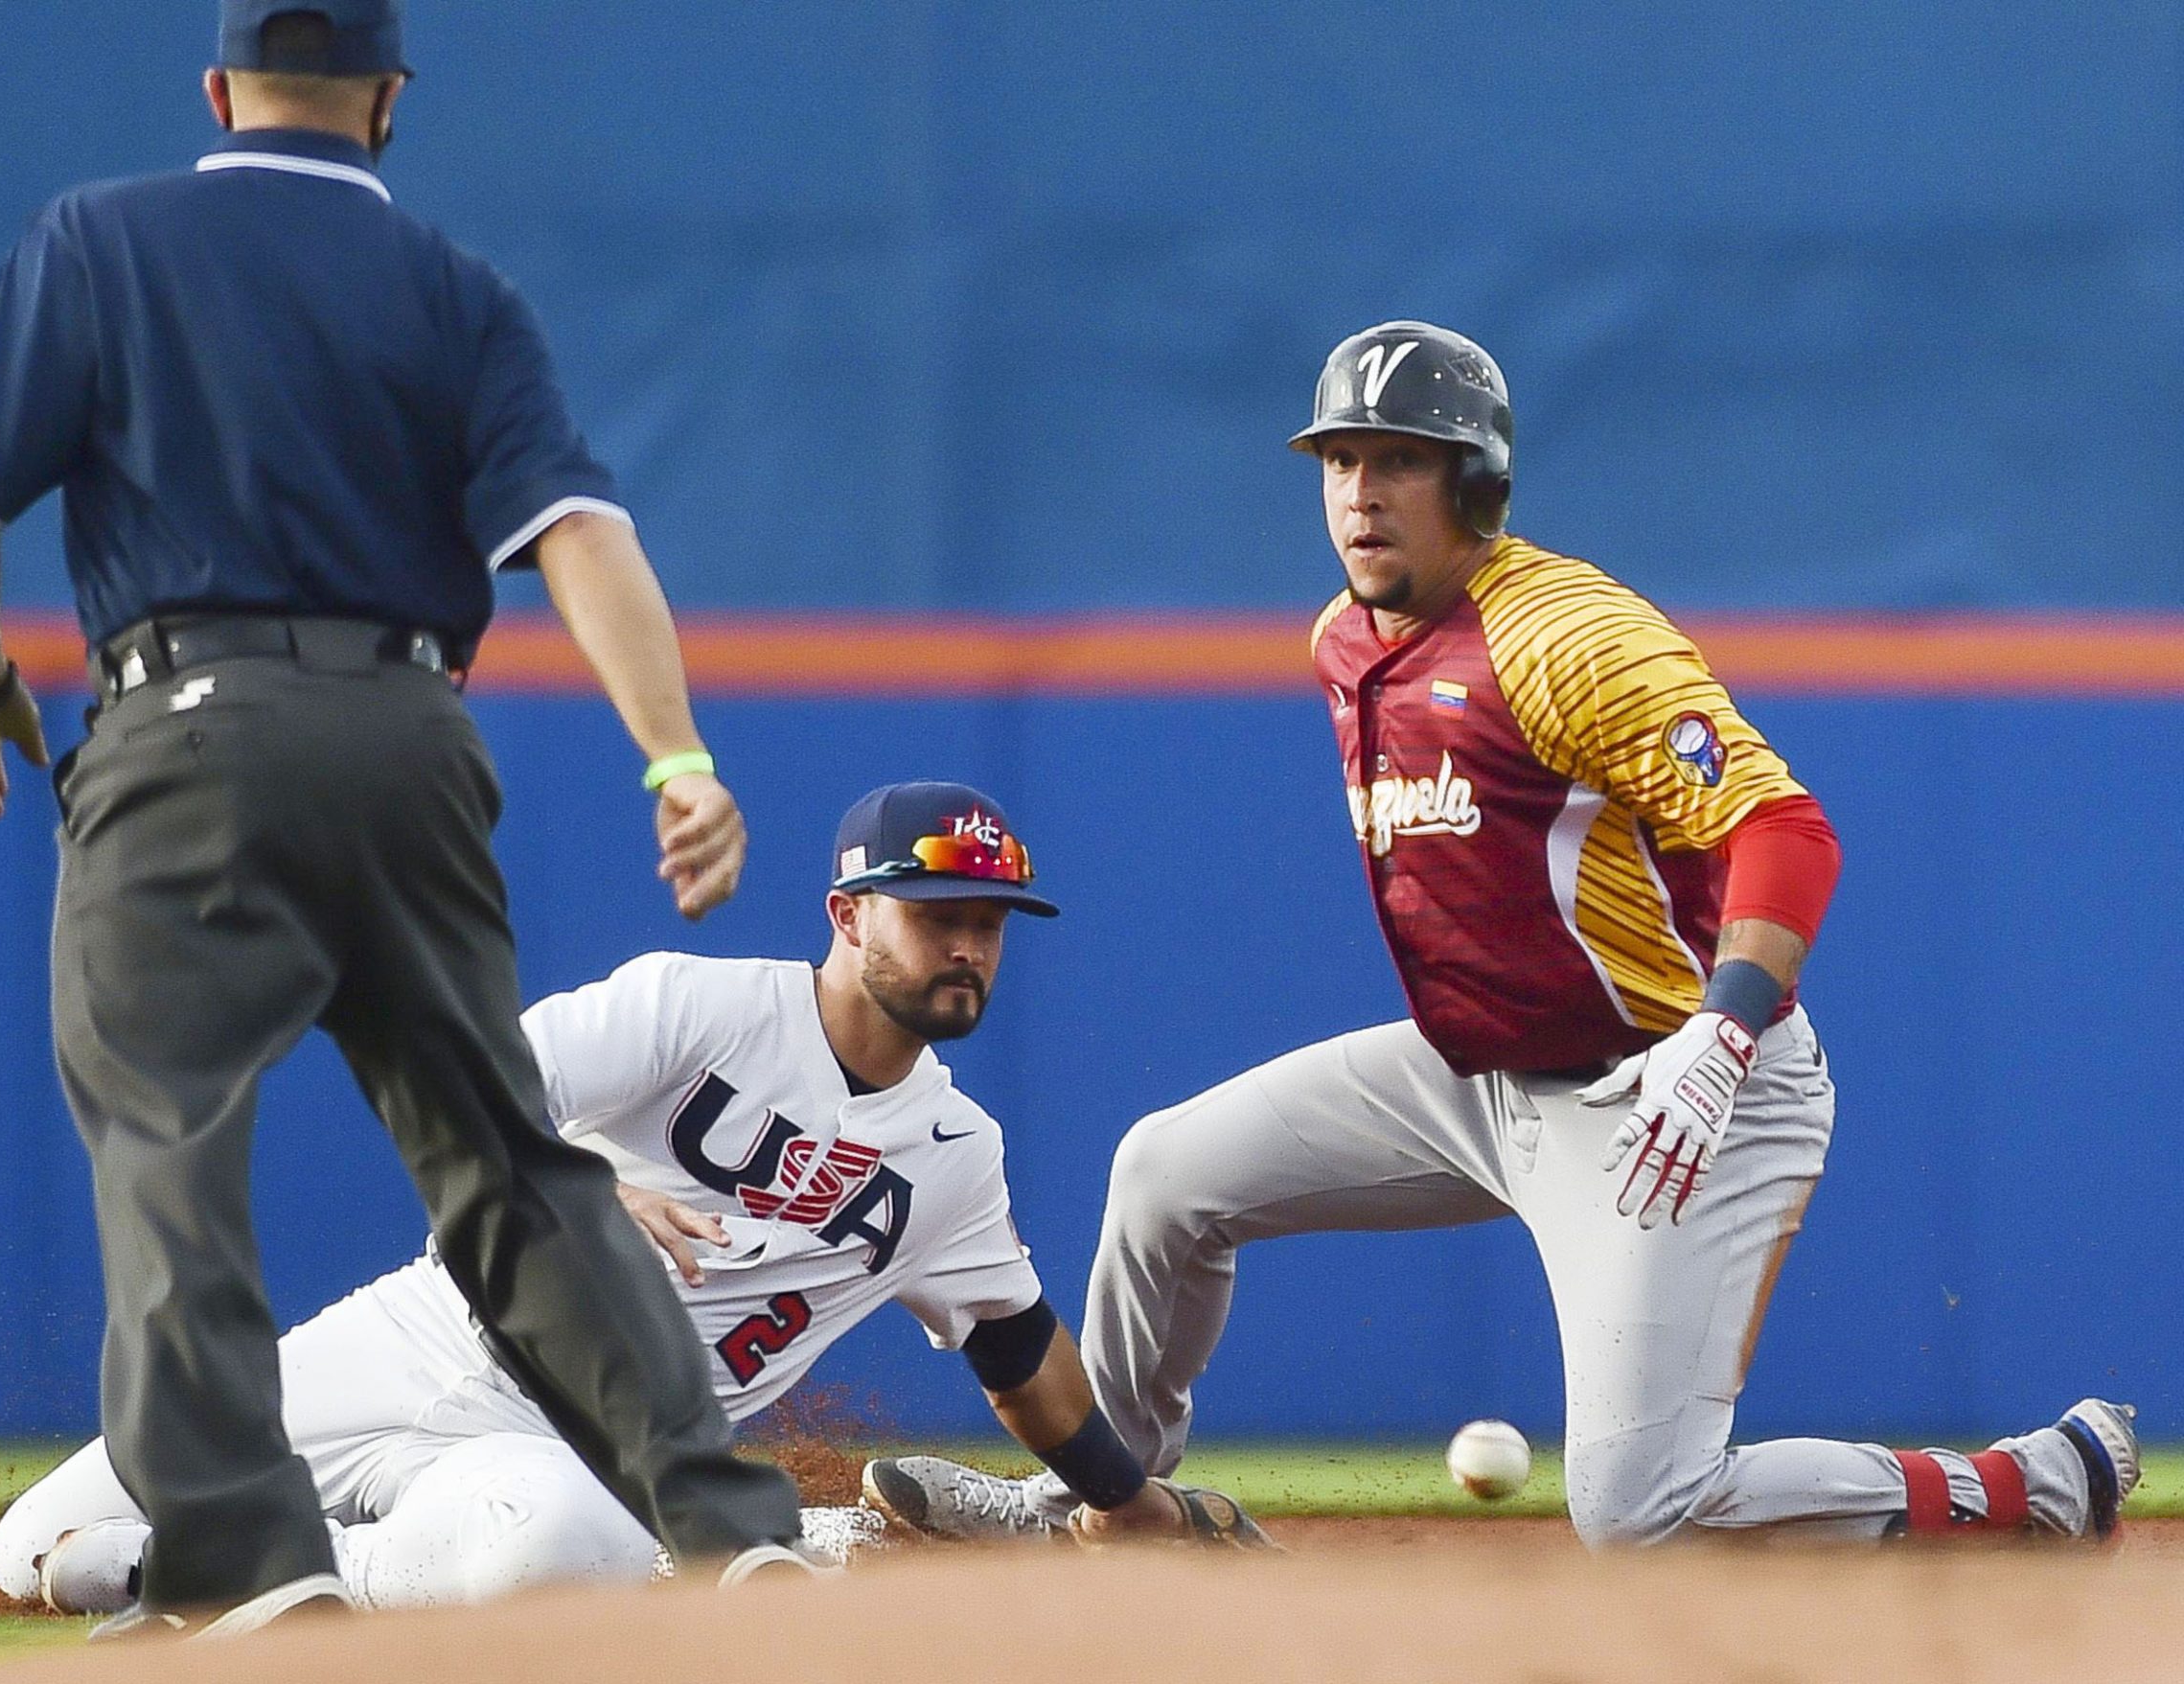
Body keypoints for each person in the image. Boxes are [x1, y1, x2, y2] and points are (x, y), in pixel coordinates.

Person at [862, 322, 2139, 1549]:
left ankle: (2033, 1482)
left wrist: (1726, 1026)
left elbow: (1788, 830)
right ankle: (1105, 1496)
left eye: (1400, 459)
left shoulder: (1567, 638)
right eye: (1341, 460)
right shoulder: (1344, 638)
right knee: (1162, 1176)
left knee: (1642, 1509)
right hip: (1475, 1077)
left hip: (1671, 1089)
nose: (1361, 491)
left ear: (1475, 480)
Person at [0, 1, 808, 1633]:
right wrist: (677, 757)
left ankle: (257, 1576)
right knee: (515, 1165)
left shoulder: (97, 240)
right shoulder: (456, 290)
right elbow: (580, 535)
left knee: (169, 1146)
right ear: (386, 100)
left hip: (179, 729)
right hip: (411, 732)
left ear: (215, 86)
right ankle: (731, 1522)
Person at [0, 783, 1270, 1616]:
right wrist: (585, 1172)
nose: (969, 946)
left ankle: (204, 1573)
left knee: (553, 1555)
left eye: (991, 921)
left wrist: (1126, 1499)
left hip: (580, 1452)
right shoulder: (696, 1005)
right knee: (29, 1546)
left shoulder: (953, 1154)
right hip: (429, 1331)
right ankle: (803, 1538)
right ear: (846, 913)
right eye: (937, 911)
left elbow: (1017, 1351)